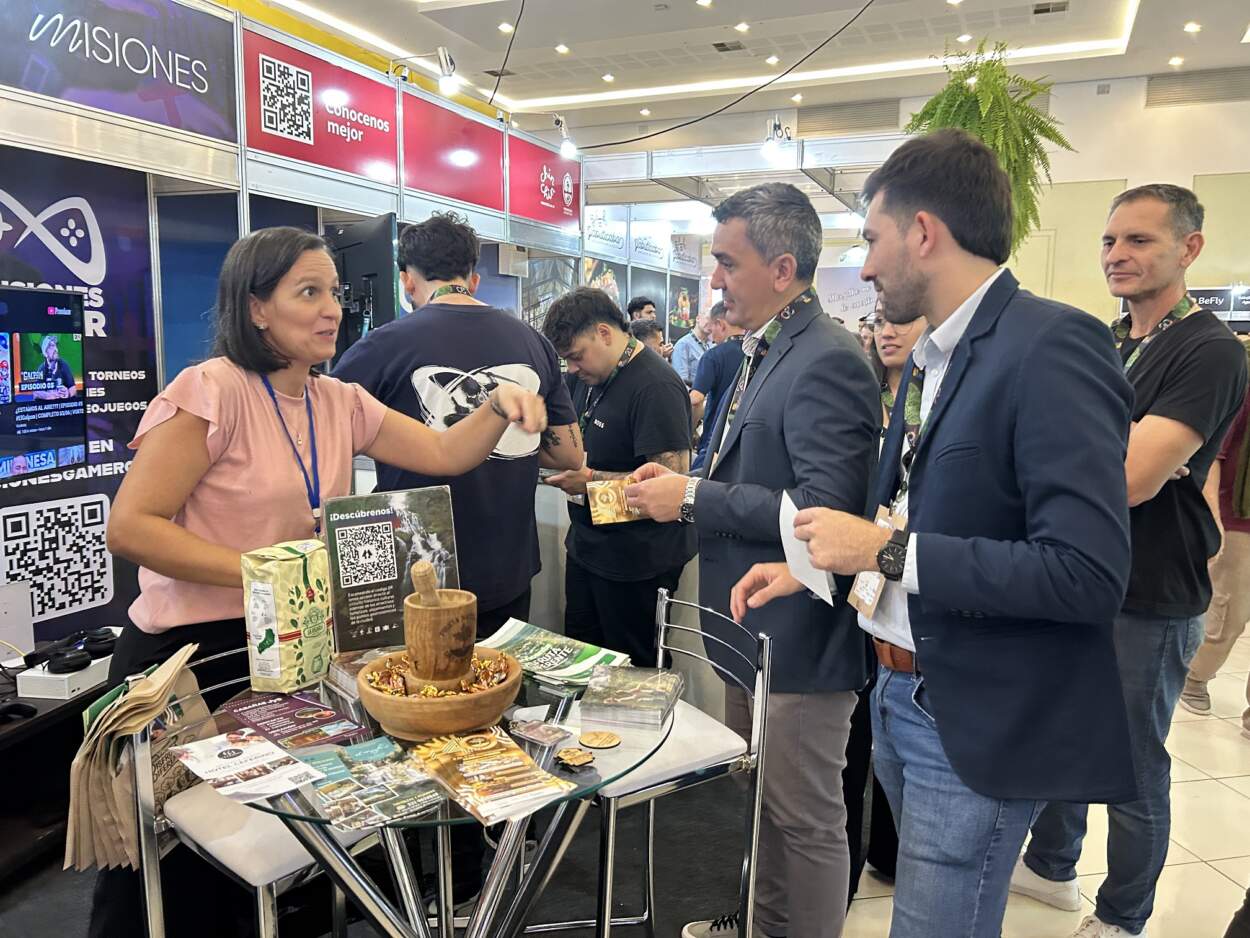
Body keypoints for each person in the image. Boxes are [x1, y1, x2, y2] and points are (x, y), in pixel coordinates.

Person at [731, 129, 1139, 938]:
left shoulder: (1050, 344)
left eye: (871, 240)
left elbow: (1087, 573)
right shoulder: (932, 358)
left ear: (923, 232)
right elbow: (918, 514)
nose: (866, 268)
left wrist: (881, 552)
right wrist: (817, 568)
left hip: (973, 709)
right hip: (899, 691)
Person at [91, 226, 547, 938]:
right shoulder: (210, 390)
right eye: (308, 292)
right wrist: (268, 572)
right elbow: (131, 527)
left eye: (333, 291)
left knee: (286, 849)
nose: (331, 308)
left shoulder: (339, 400)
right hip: (195, 660)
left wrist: (497, 407)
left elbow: (442, 453)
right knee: (178, 868)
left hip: (292, 651)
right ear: (255, 308)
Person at [626, 182, 880, 938]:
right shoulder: (760, 350)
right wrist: (688, 486)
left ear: (782, 267)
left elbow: (825, 512)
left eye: (727, 263)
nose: (714, 280)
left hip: (798, 631)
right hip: (748, 625)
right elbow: (745, 465)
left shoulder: (827, 358)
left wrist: (692, 495)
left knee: (803, 816)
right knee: (764, 797)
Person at [1015, 184, 1248, 938]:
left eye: (1140, 240)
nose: (1117, 254)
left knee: (1131, 761)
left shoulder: (1208, 348)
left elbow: (1129, 479)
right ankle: (1052, 865)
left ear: (1189, 248)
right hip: (1078, 570)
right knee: (1064, 729)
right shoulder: (1112, 339)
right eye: (1110, 240)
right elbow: (1052, 443)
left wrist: (1104, 455)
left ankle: (1123, 912)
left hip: (1151, 585)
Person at [333, 212, 582, 636]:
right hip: (508, 564)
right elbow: (570, 455)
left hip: (419, 574)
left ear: (407, 280)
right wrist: (507, 436)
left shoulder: (381, 346)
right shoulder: (533, 342)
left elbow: (323, 433)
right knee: (500, 674)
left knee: (423, 677)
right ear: (474, 277)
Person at [541, 287, 696, 666]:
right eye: (566, 360)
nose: (572, 368)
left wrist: (591, 481)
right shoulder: (584, 379)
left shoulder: (655, 386)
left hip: (638, 561)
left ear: (604, 333)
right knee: (580, 663)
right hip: (587, 546)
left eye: (577, 356)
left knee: (634, 674)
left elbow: (672, 489)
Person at [841, 298, 923, 900]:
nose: (886, 331)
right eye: (878, 321)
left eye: (902, 319)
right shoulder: (863, 397)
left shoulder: (934, 401)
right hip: (863, 580)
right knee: (861, 735)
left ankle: (890, 854)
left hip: (910, 585)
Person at [1180, 336, 1250, 735]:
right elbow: (1215, 454)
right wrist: (1215, 517)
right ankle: (1195, 677)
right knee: (1229, 616)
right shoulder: (1240, 374)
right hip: (1240, 518)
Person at [689, 302, 744, 472]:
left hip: (715, 437)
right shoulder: (756, 353)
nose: (711, 336)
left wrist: (690, 432)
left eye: (712, 328)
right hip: (742, 439)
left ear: (721, 324)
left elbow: (696, 399)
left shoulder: (713, 356)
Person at [671, 309, 712, 386]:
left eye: (714, 321)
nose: (711, 323)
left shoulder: (711, 345)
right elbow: (681, 381)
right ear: (698, 318)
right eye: (708, 318)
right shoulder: (683, 344)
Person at [31, 334, 77, 400]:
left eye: (55, 346)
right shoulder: (42, 369)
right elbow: (35, 393)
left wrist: (68, 393)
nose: (55, 349)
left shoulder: (63, 365)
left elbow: (73, 389)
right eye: (51, 346)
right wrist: (48, 396)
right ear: (45, 353)